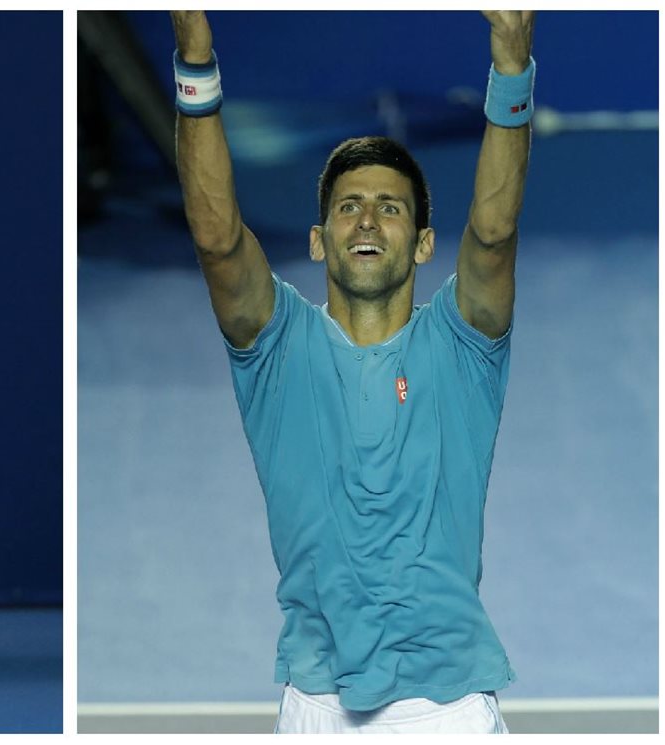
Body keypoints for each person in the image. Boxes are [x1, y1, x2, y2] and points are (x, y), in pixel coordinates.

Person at [171, 10, 533, 734]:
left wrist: (511, 68)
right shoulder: (278, 347)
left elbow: (493, 231)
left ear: (426, 242)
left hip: (446, 710)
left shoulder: (462, 345)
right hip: (316, 706)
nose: (366, 220)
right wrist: (197, 60)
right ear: (318, 238)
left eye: (390, 208)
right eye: (349, 207)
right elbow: (216, 238)